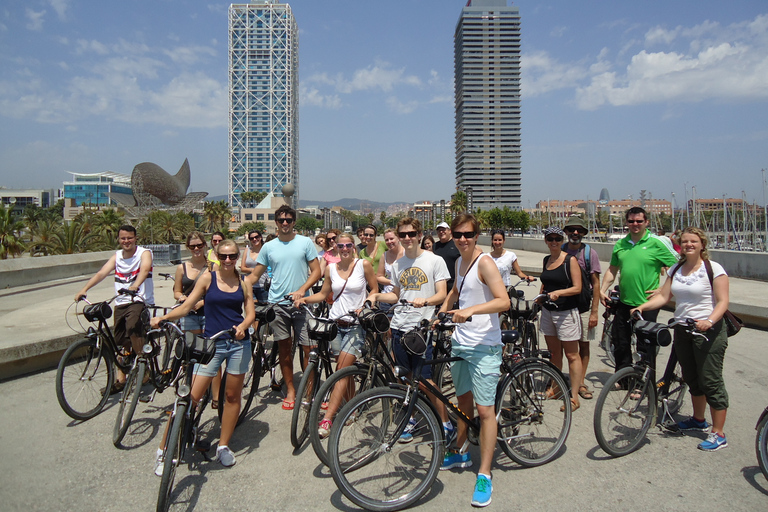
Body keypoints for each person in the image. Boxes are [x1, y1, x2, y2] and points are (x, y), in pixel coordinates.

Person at [151, 239, 255, 471]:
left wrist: (243, 327)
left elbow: (250, 313)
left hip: (238, 344)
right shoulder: (208, 279)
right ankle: (164, 449)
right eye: (223, 256)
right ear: (216, 256)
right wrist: (165, 318)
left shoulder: (243, 281)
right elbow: (187, 306)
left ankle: (224, 446)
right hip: (212, 344)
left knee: (231, 397)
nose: (228, 260)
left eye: (232, 256)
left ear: (238, 257)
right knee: (190, 397)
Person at [632, 227, 730, 451]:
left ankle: (718, 433)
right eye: (684, 242)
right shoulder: (676, 269)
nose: (689, 245)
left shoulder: (713, 269)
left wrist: (710, 321)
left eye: (693, 241)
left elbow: (723, 302)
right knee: (691, 376)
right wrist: (641, 307)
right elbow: (665, 297)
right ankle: (698, 419)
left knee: (710, 380)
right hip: (683, 329)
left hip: (708, 331)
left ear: (702, 244)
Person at [437, 214, 508, 507]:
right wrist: (440, 314)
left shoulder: (485, 263)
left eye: (468, 234)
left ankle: (485, 474)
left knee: (484, 410)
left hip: (484, 346)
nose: (462, 239)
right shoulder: (459, 262)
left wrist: (472, 311)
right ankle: (462, 450)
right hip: (461, 343)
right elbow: (455, 291)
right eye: (458, 234)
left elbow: (503, 301)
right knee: (463, 401)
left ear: (476, 235)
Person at [366, 218, 454, 445]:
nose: (407, 238)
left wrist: (425, 301)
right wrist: (376, 296)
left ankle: (445, 423)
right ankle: (412, 418)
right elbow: (396, 295)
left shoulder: (434, 260)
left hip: (420, 327)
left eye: (411, 234)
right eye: (403, 235)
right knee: (404, 376)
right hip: (399, 326)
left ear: (419, 234)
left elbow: (442, 294)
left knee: (423, 379)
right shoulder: (398, 264)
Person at [294, 233, 378, 438]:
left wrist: (368, 304)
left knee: (340, 370)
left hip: (355, 325)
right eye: (340, 245)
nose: (345, 248)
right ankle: (352, 406)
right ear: (336, 248)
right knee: (345, 370)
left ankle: (328, 418)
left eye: (348, 245)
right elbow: (324, 294)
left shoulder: (363, 265)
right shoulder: (331, 268)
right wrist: (303, 298)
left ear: (353, 246)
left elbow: (374, 288)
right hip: (335, 325)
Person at [247, 204, 321, 410]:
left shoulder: (305, 242)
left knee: (310, 349)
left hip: (302, 303)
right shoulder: (269, 247)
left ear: (294, 222)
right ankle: (290, 390)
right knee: (284, 350)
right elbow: (255, 275)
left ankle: (309, 391)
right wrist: (236, 288)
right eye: (281, 220)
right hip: (277, 304)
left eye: (289, 220)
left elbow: (316, 272)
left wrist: (302, 290)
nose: (285, 223)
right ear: (276, 223)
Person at [75, 225, 154, 393]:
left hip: (139, 300)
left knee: (132, 327)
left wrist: (135, 285)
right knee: (119, 339)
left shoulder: (144, 253)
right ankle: (123, 376)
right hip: (120, 302)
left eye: (129, 238)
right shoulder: (117, 256)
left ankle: (142, 364)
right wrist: (84, 289)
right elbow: (101, 273)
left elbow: (145, 269)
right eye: (123, 238)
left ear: (135, 238)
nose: (126, 241)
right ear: (119, 240)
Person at [600, 207, 679, 372]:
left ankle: (643, 382)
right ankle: (623, 378)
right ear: (627, 223)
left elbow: (678, 268)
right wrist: (602, 289)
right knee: (620, 341)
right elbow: (612, 270)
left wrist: (663, 290)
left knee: (645, 345)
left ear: (646, 223)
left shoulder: (657, 243)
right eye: (631, 221)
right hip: (624, 300)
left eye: (639, 221)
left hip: (647, 303)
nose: (635, 224)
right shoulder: (621, 244)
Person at [539, 226, 583, 412]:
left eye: (557, 239)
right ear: (546, 241)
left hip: (566, 312)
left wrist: (559, 292)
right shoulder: (546, 260)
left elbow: (577, 287)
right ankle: (555, 388)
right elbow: (545, 283)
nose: (554, 242)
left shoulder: (569, 260)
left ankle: (573, 397)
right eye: (550, 239)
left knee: (572, 355)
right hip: (548, 312)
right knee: (554, 354)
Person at [562, 216, 601, 400]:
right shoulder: (561, 250)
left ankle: (581, 381)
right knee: (569, 347)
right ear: (567, 232)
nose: (575, 233)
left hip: (584, 306)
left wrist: (595, 312)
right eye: (571, 230)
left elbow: (596, 283)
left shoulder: (589, 253)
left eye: (578, 230)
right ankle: (569, 379)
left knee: (583, 344)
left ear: (583, 233)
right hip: (565, 306)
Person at [377, 227, 404, 313]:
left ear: (398, 238)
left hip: (402, 297)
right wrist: (392, 282)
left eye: (391, 239)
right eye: (387, 240)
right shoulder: (384, 255)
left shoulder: (406, 253)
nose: (389, 242)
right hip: (387, 296)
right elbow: (379, 276)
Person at [240, 229, 268, 303]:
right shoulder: (247, 250)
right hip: (250, 286)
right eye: (252, 238)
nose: (255, 239)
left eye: (256, 237)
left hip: (264, 286)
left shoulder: (266, 250)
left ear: (261, 237)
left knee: (265, 309)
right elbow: (242, 268)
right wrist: (253, 270)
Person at [433, 221, 461, 291]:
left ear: (449, 231)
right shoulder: (435, 246)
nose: (441, 232)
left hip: (454, 283)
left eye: (444, 230)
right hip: (439, 284)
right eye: (439, 230)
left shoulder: (457, 244)